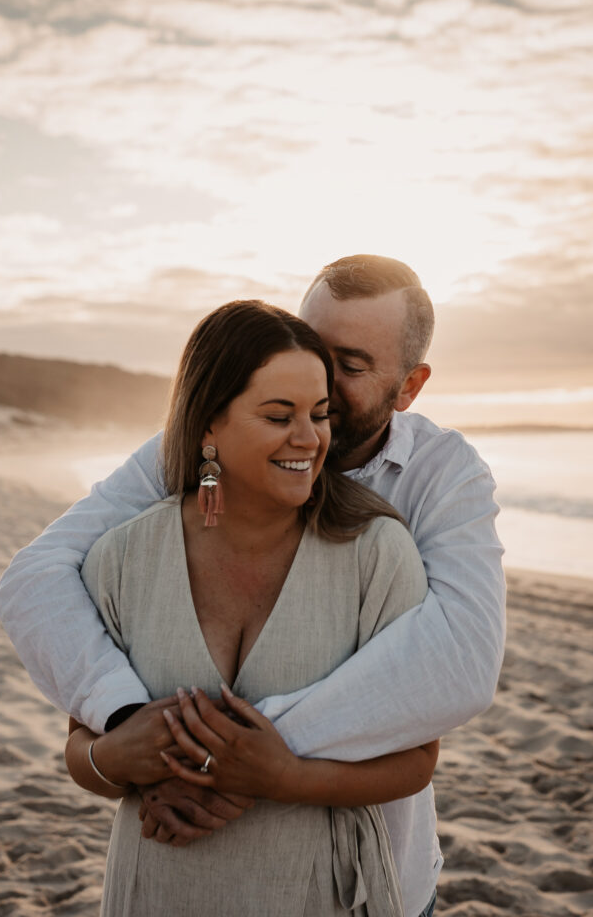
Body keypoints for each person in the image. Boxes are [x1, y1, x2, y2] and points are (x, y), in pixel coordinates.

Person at [0, 254, 505, 917]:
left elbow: (459, 664)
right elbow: (36, 577)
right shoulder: (190, 460)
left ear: (408, 387)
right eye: (306, 346)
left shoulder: (436, 480)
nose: (314, 375)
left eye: (346, 367)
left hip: (360, 884)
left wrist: (247, 761)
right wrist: (124, 725)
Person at [63, 299, 436, 916]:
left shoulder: (377, 552)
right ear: (209, 422)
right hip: (157, 891)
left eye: (319, 414)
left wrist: (280, 779)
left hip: (318, 894)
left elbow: (417, 759)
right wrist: (113, 759)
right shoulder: (123, 557)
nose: (308, 438)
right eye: (277, 415)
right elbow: (80, 744)